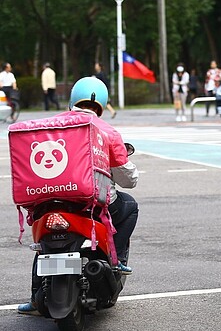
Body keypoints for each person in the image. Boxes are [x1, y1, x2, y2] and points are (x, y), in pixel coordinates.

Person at [17, 77, 139, 315]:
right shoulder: (107, 131)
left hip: (49, 204)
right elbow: (127, 179)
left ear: (73, 99)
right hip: (90, 206)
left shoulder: (50, 125)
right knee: (130, 207)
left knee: (44, 245)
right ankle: (115, 259)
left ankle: (34, 299)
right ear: (102, 103)